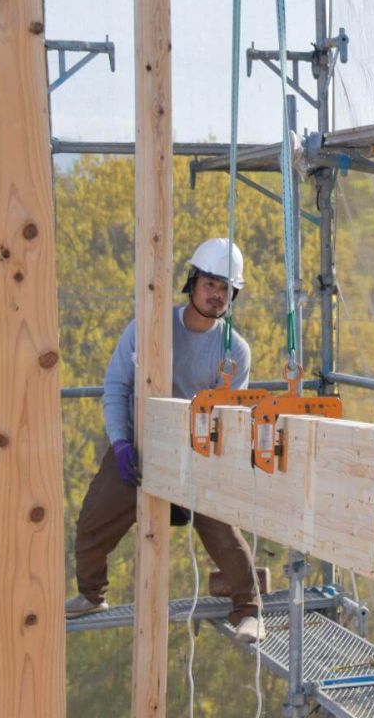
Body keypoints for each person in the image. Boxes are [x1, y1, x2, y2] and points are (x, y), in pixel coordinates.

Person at [65, 238, 266, 643]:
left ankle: (249, 612)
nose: (217, 295)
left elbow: (230, 417)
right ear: (192, 282)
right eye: (210, 284)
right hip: (139, 445)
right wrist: (121, 443)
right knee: (90, 525)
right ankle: (91, 594)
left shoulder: (235, 351)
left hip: (196, 451)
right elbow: (117, 385)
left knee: (223, 533)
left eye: (226, 289)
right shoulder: (149, 326)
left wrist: (212, 472)